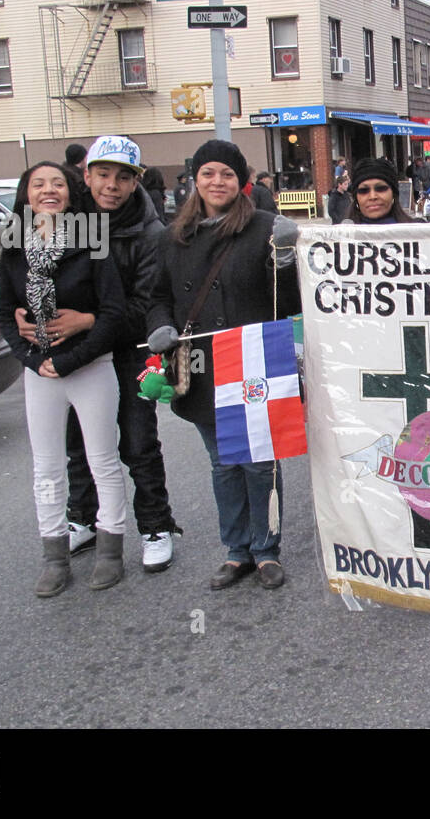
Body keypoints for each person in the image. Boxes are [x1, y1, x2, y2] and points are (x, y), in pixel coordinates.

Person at [13, 136, 182, 572]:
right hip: (77, 352)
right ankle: (83, 519)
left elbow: (146, 305)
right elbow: (29, 274)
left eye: (122, 177)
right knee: (76, 443)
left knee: (138, 440)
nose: (111, 185)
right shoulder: (68, 220)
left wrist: (90, 322)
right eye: (102, 174)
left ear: (135, 182)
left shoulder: (150, 233)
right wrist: (20, 314)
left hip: (130, 349)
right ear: (85, 176)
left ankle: (155, 525)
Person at [146, 139, 301, 591]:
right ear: (195, 179)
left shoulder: (267, 228)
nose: (218, 182)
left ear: (241, 182)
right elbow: (157, 297)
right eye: (209, 173)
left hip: (255, 364)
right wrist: (160, 326)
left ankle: (266, 550)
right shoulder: (173, 236)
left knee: (259, 464)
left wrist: (287, 259)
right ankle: (236, 551)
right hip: (202, 368)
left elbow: (287, 304)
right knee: (222, 464)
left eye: (227, 175)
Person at [0, 161, 127, 597]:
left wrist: (73, 353)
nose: (48, 191)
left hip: (89, 365)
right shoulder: (14, 244)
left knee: (102, 461)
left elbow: (112, 313)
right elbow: (5, 314)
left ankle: (111, 549)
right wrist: (33, 362)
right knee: (47, 468)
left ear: (71, 193)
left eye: (57, 184)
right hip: (40, 371)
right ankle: (54, 557)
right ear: (25, 194)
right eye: (37, 184)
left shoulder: (92, 240)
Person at [343, 158, 417, 224]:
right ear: (356, 197)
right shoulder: (340, 236)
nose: (372, 196)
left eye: (381, 189)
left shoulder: (418, 233)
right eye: (364, 190)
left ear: (393, 193)